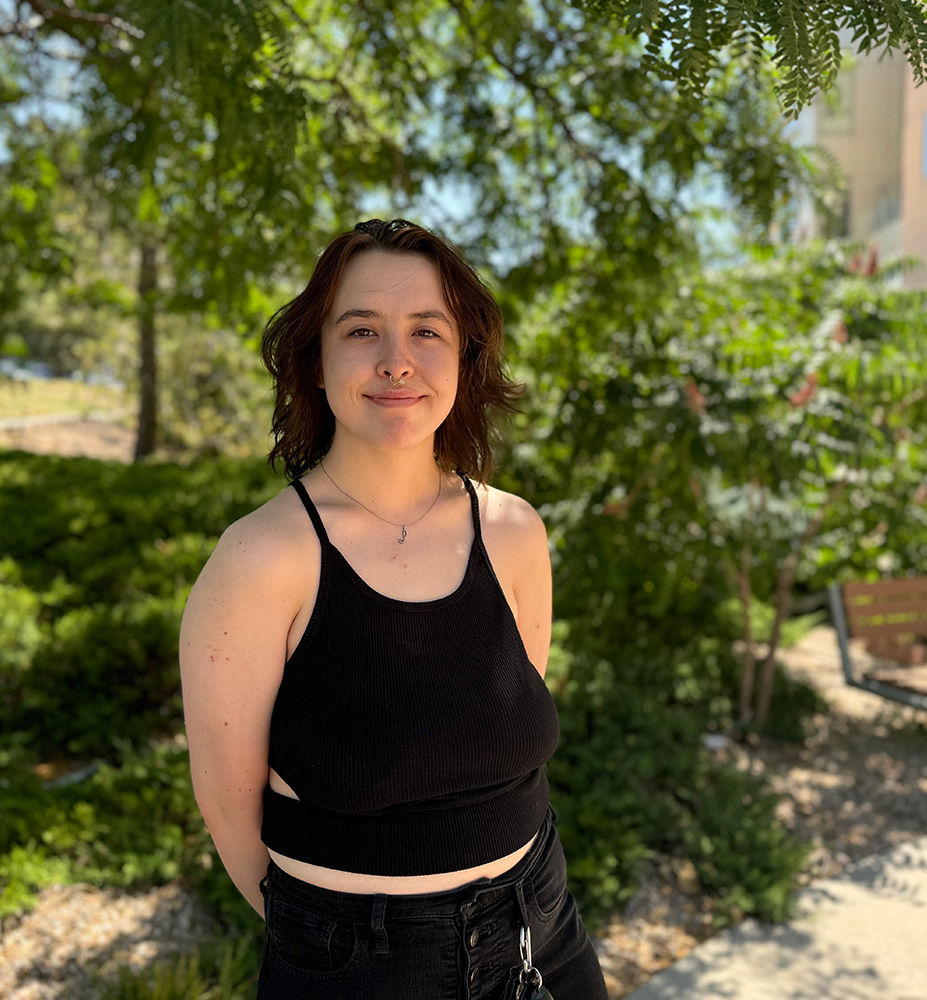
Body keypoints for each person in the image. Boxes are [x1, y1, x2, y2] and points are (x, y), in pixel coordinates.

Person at [179, 219, 609, 999]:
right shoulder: (261, 559)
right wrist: (321, 942)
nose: (396, 360)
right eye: (362, 329)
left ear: (465, 356)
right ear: (315, 360)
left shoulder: (513, 531)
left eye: (426, 330)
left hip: (541, 930)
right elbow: (227, 804)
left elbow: (491, 733)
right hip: (359, 969)